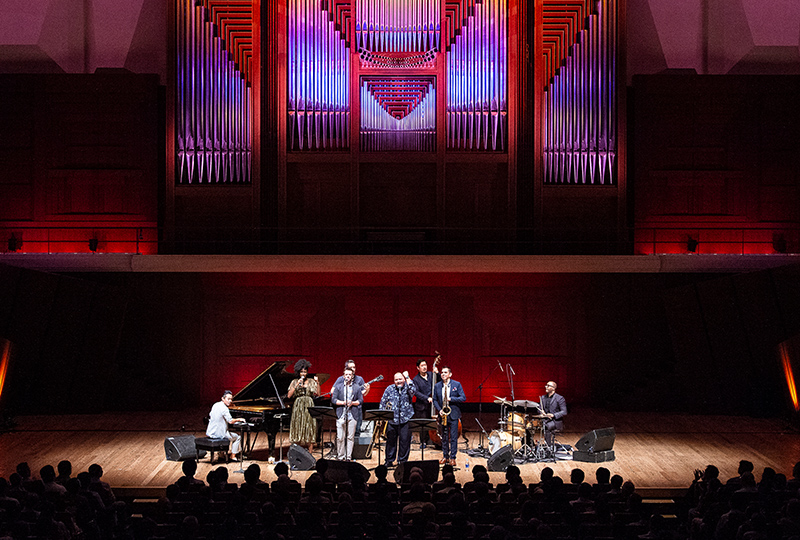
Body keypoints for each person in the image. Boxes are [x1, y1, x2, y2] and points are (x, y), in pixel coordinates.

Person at [379, 371, 416, 467]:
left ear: (404, 379)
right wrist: (382, 415)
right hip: (392, 419)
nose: (398, 381)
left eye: (400, 379)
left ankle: (402, 461)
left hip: (406, 419)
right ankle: (389, 460)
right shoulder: (389, 388)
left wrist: (408, 377)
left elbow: (413, 391)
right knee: (391, 441)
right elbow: (383, 401)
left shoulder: (408, 387)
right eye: (396, 380)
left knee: (405, 441)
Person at [433, 366, 466, 466]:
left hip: (454, 414)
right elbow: (434, 400)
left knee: (454, 437)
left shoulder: (457, 384)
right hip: (443, 414)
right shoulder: (438, 386)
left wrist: (452, 399)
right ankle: (445, 456)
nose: (443, 374)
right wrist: (439, 410)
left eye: (445, 372)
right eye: (442, 372)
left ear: (450, 374)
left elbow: (463, 398)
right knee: (444, 437)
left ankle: (453, 458)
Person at [287, 358, 320, 453]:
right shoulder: (294, 381)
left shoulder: (311, 381)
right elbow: (289, 395)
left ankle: (310, 453)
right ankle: (296, 452)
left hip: (309, 404)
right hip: (298, 405)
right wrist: (296, 384)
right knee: (297, 426)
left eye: (305, 372)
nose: (303, 374)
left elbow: (317, 393)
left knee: (310, 427)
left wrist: (317, 383)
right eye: (301, 372)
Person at [331, 366, 363, 461]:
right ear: (343, 375)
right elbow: (334, 399)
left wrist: (352, 403)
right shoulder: (338, 387)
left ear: (352, 376)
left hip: (352, 414)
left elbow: (360, 400)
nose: (348, 376)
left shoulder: (356, 387)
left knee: (350, 437)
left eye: (350, 374)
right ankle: (341, 457)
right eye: (346, 374)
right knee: (340, 437)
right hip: (341, 414)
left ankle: (348, 457)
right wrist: (343, 402)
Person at [333, 359, 371, 434]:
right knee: (342, 433)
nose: (353, 369)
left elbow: (363, 394)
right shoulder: (341, 379)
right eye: (351, 367)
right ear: (346, 369)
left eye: (354, 367)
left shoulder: (360, 379)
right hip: (343, 409)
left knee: (356, 431)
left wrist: (367, 389)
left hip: (356, 409)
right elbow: (332, 391)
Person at [207, 390, 246, 461]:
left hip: (211, 432)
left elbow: (211, 415)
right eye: (228, 399)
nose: (230, 401)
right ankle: (233, 456)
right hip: (220, 434)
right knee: (237, 437)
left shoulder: (215, 405)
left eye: (231, 399)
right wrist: (239, 419)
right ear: (223, 398)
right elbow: (230, 421)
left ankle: (221, 454)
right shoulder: (225, 409)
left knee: (227, 432)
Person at [412, 358, 438, 448]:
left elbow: (438, 382)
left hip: (432, 405)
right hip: (421, 405)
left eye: (425, 365)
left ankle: (433, 439)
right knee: (423, 424)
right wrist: (427, 398)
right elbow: (416, 392)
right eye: (422, 366)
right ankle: (423, 442)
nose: (424, 367)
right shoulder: (415, 380)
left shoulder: (431, 375)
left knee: (432, 423)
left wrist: (437, 373)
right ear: (418, 368)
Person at [540, 380, 567, 447]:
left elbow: (564, 411)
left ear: (553, 388)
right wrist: (541, 412)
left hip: (555, 421)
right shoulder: (543, 398)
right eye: (546, 385)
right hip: (545, 420)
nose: (546, 387)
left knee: (547, 427)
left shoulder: (560, 398)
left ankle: (548, 447)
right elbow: (540, 408)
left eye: (548, 386)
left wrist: (553, 415)